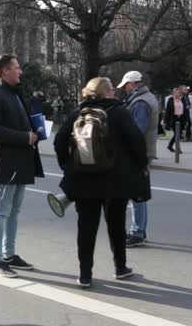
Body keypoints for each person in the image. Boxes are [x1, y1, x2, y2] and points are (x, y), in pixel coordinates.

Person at [54, 77, 148, 288]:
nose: (114, 93)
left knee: (86, 227)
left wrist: (68, 166)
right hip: (115, 180)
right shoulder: (119, 112)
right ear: (106, 93)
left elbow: (59, 140)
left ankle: (85, 274)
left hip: (84, 180)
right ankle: (120, 267)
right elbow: (137, 142)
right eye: (112, 90)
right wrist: (141, 165)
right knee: (116, 224)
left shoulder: (79, 113)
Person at [0, 54, 44, 278]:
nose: (21, 71)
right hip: (5, 164)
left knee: (14, 211)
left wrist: (35, 130)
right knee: (1, 212)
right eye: (17, 68)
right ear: (5, 71)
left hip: (19, 162)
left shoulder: (13, 93)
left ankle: (9, 254)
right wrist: (23, 137)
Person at [117, 70, 159, 247]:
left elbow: (137, 131)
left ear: (133, 84)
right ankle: (140, 230)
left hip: (137, 152)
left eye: (125, 86)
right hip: (142, 151)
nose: (124, 89)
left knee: (136, 194)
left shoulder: (141, 102)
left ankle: (137, 232)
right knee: (138, 192)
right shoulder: (146, 97)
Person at [164, 87, 188, 153]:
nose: (177, 94)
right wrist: (166, 121)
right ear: (173, 93)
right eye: (176, 93)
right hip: (173, 118)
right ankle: (177, 149)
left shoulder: (182, 99)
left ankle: (170, 146)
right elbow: (167, 111)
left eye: (179, 93)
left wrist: (186, 118)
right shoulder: (170, 99)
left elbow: (185, 109)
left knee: (179, 134)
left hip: (181, 119)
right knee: (178, 134)